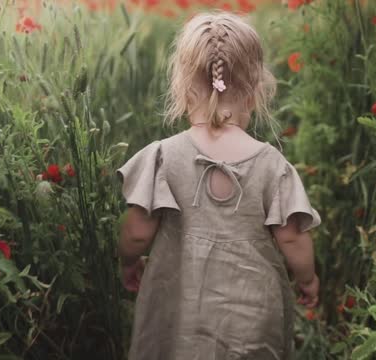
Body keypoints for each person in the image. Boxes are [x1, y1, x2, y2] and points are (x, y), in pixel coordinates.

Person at [116, 11, 321, 360]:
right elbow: (291, 237)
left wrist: (128, 261)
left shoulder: (164, 158)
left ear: (181, 87)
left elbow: (136, 231)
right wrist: (307, 279)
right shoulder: (271, 164)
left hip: (179, 317)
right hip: (253, 323)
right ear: (255, 92)